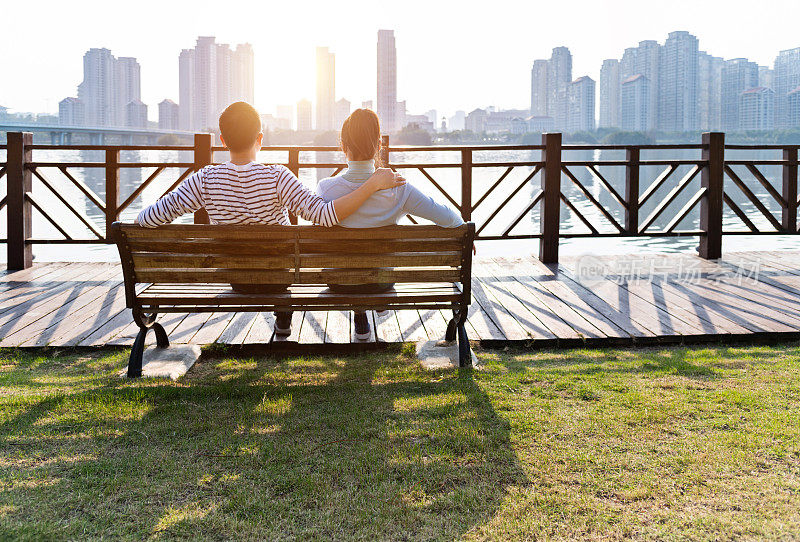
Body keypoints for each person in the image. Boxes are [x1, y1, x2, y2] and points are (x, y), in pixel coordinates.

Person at [136, 101, 405, 337]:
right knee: (279, 252)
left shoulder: (204, 180)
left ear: (223, 140)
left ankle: (283, 314)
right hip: (278, 277)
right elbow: (325, 215)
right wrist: (372, 185)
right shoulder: (277, 177)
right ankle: (283, 312)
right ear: (260, 138)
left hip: (236, 277)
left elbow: (147, 219)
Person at [317, 108, 464, 340]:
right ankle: (370, 306)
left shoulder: (326, 189)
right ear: (378, 145)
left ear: (343, 146)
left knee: (351, 263)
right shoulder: (399, 188)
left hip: (340, 283)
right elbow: (446, 217)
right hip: (381, 283)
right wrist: (465, 230)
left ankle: (360, 314)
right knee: (372, 266)